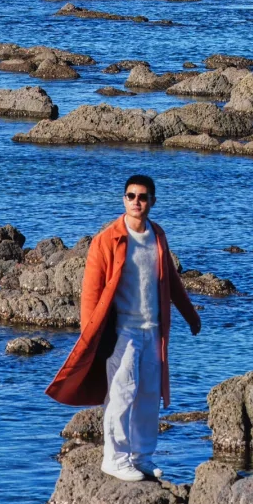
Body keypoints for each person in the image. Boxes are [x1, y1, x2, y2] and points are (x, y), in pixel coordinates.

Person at [46, 174, 201, 481]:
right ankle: (114, 458)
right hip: (123, 331)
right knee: (121, 393)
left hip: (153, 331)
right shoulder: (109, 239)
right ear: (123, 200)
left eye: (142, 197)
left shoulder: (157, 235)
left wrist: (190, 316)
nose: (136, 202)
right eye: (130, 196)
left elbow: (171, 279)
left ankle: (141, 457)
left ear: (152, 202)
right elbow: (91, 290)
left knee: (147, 395)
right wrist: (89, 335)